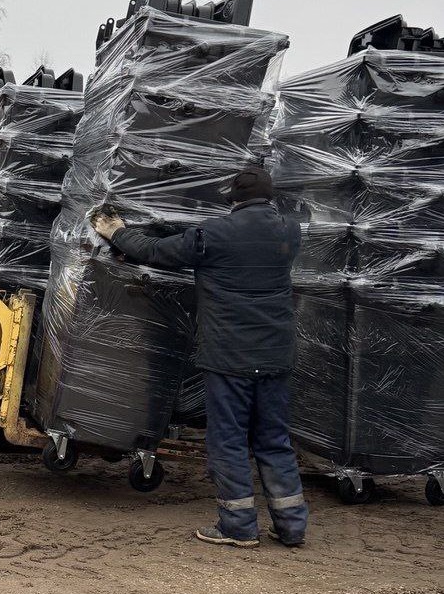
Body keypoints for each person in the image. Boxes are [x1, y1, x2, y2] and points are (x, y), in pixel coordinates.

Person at [90, 165, 307, 549]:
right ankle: (291, 526)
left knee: (229, 440)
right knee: (274, 438)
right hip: (276, 353)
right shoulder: (288, 231)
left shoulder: (215, 234)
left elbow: (158, 252)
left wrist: (117, 233)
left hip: (229, 355)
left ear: (234, 201)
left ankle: (239, 527)